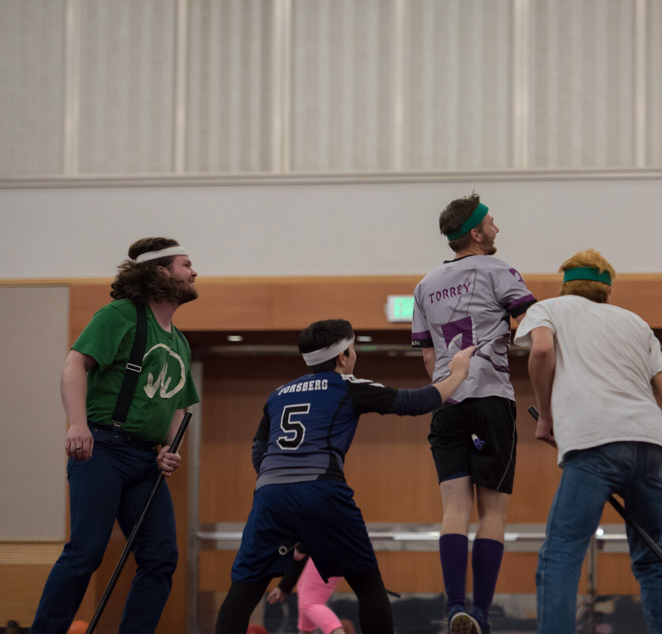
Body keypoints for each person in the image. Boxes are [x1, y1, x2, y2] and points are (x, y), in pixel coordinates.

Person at [215, 319, 475, 634]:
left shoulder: (278, 394)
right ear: (343, 357)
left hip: (269, 494)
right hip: (321, 490)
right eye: (354, 348)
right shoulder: (346, 386)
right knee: (366, 582)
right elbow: (415, 402)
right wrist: (458, 373)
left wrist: (283, 489)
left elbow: (259, 451)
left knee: (244, 588)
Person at [512, 249, 662, 634]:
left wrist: (547, 414)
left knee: (561, 555)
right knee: (653, 561)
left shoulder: (548, 309)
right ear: (607, 292)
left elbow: (541, 349)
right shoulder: (636, 324)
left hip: (595, 442)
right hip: (653, 446)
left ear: (565, 287)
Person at [31, 238, 200, 634]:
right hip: (104, 450)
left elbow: (179, 403)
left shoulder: (179, 340)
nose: (194, 272)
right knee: (86, 552)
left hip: (145, 461)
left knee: (160, 557)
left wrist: (170, 448)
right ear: (160, 272)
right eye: (185, 264)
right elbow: (75, 365)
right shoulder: (119, 315)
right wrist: (77, 424)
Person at [412, 194, 536, 634]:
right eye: (492, 223)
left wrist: (448, 388)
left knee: (454, 509)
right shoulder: (500, 271)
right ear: (477, 234)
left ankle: (453, 607)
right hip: (491, 399)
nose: (497, 228)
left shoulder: (425, 285)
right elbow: (533, 329)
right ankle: (480, 613)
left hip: (446, 403)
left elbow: (429, 356)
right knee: (493, 513)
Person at [266, 544, 347, 634]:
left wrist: (300, 548)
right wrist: (283, 586)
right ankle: (305, 630)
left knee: (309, 603)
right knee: (304, 594)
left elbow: (300, 553)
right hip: (333, 551)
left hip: (327, 550)